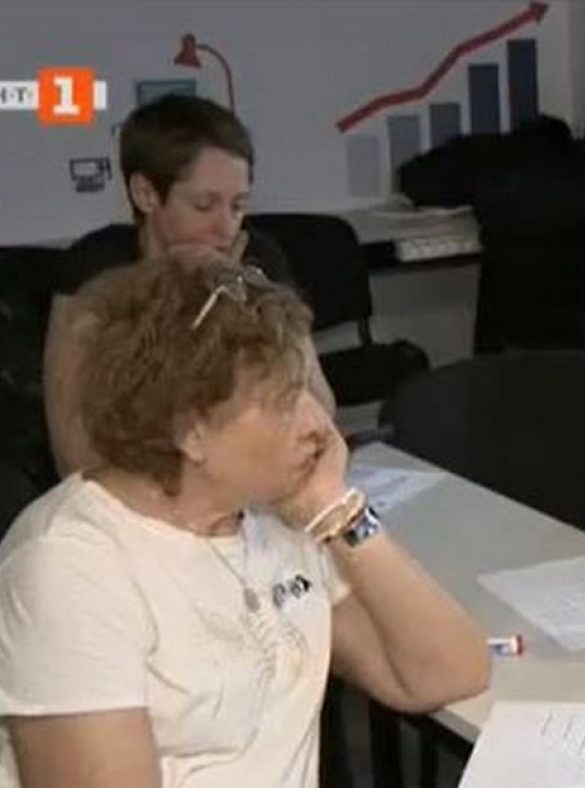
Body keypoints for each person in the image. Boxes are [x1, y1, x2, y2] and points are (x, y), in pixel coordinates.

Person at [0, 260, 489, 786]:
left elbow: (448, 671)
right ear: (191, 430)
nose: (318, 425)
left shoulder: (275, 513)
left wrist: (339, 510)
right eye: (285, 403)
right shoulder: (69, 566)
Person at [44, 94, 334, 478]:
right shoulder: (92, 272)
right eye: (203, 205)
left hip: (240, 482)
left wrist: (238, 297)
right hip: (132, 491)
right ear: (146, 194)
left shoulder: (257, 260)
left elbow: (319, 409)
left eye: (238, 205)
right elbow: (75, 453)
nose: (226, 227)